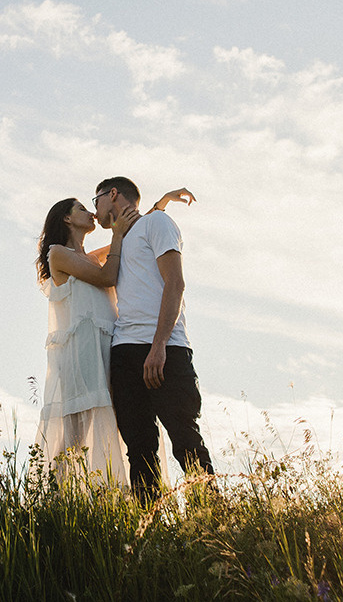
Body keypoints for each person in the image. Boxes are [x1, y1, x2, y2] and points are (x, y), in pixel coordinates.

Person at [34, 188, 194, 486]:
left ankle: (107, 498)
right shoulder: (59, 253)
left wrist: (158, 206)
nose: (91, 212)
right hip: (81, 354)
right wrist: (118, 235)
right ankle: (52, 495)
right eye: (83, 208)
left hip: (106, 352)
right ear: (67, 218)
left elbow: (131, 230)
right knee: (73, 433)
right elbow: (109, 275)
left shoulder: (90, 258)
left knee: (119, 428)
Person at [92, 176, 214, 499]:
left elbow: (175, 284)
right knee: (140, 449)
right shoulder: (118, 243)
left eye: (96, 201)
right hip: (124, 354)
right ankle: (153, 537)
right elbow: (88, 260)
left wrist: (158, 345)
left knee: (185, 438)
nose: (95, 212)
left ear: (113, 194)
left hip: (165, 349)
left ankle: (215, 519)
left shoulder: (157, 223)